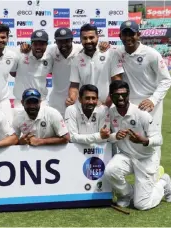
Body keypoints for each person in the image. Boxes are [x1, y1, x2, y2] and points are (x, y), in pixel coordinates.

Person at [104, 80, 171, 210]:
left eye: (124, 94)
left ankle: (163, 182)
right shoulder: (110, 113)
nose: (121, 98)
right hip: (126, 156)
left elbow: (159, 139)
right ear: (111, 96)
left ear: (129, 94)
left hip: (146, 159)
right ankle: (126, 195)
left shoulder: (142, 114)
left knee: (141, 205)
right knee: (111, 171)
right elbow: (107, 137)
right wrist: (115, 136)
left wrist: (144, 141)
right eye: (117, 95)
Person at [115, 20, 171, 158]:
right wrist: (103, 46)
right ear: (120, 36)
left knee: (151, 138)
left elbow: (166, 79)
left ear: (138, 35)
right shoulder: (117, 53)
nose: (128, 37)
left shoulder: (151, 54)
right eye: (125, 34)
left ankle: (155, 175)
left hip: (151, 104)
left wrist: (153, 100)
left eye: (132, 34)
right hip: (130, 103)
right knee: (130, 138)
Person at [67, 24, 123, 107]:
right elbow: (74, 86)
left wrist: (107, 103)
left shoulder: (111, 54)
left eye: (91, 37)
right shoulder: (76, 59)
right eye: (85, 38)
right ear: (80, 39)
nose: (88, 41)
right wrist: (71, 98)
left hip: (109, 106)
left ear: (98, 37)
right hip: (86, 107)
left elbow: (117, 82)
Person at [11, 30, 53, 113]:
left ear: (46, 45)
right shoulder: (21, 53)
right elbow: (12, 72)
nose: (38, 47)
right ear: (31, 44)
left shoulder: (50, 58)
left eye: (42, 44)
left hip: (41, 102)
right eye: (35, 44)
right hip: (21, 103)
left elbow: (54, 72)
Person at [46, 28, 83, 116]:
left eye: (66, 41)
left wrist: (104, 46)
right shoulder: (50, 51)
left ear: (72, 40)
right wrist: (26, 49)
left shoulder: (81, 50)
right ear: (56, 41)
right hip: (56, 100)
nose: (63, 44)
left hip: (78, 99)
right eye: (60, 41)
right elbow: (36, 52)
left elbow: (98, 49)